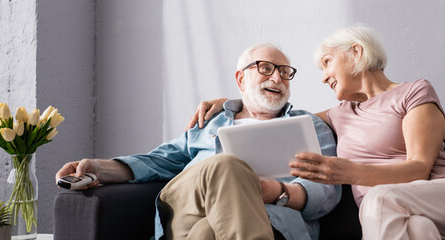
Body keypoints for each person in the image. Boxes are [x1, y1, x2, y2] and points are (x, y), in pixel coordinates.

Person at [187, 26, 445, 239]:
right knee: (419, 232)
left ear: (356, 52)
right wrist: (233, 104)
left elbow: (419, 169)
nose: (323, 77)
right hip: (406, 220)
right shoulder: (340, 113)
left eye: (327, 62)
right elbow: (275, 116)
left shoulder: (413, 92)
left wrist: (350, 172)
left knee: (378, 200)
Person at [56, 43, 340, 240]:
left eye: (285, 72)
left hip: (269, 222)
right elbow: (158, 160)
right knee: (226, 165)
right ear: (241, 79)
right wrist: (98, 168)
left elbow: (326, 191)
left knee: (206, 232)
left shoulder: (309, 126)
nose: (277, 77)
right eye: (265, 68)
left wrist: (277, 191)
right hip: (188, 206)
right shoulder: (211, 122)